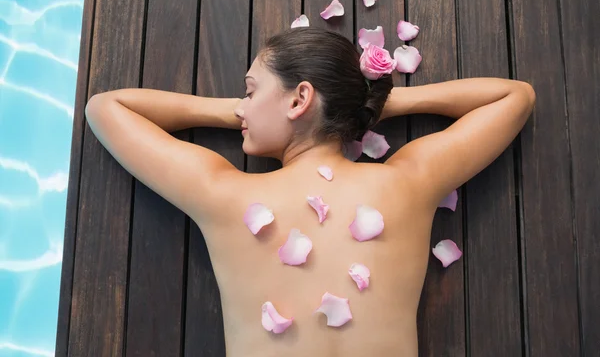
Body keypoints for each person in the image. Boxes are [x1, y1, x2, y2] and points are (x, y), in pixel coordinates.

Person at [85, 27, 535, 356]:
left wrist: (237, 114)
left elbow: (106, 108)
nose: (241, 106)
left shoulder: (224, 196)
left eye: (249, 91)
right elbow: (515, 98)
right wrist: (373, 106)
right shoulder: (406, 184)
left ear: (299, 99)